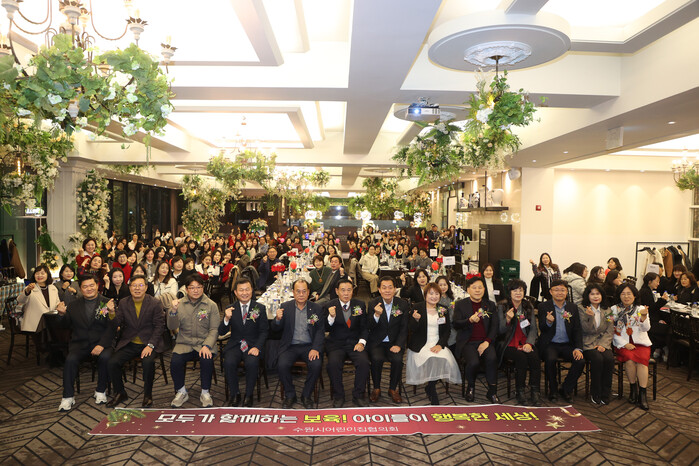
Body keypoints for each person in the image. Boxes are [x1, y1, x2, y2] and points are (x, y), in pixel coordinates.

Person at [55, 275, 115, 411]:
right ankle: (68, 396)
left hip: (101, 342)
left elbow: (111, 327)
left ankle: (100, 390)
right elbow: (64, 326)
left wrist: (101, 344)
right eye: (85, 286)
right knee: (70, 360)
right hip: (80, 343)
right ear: (80, 289)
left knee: (105, 357)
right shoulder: (73, 305)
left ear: (97, 286)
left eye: (91, 285)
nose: (89, 289)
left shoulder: (105, 303)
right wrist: (61, 315)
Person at [107, 275, 165, 408]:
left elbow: (159, 327)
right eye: (134, 285)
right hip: (130, 342)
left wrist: (150, 345)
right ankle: (120, 392)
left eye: (141, 285)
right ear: (129, 287)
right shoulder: (124, 303)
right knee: (112, 362)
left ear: (146, 287)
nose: (137, 288)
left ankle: (148, 395)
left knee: (148, 363)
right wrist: (111, 313)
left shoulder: (155, 303)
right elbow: (117, 323)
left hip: (148, 342)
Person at [167, 275, 220, 408]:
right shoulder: (179, 304)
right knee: (175, 361)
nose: (196, 290)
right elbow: (172, 326)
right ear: (186, 289)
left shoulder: (211, 305)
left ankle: (205, 392)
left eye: (199, 287)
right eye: (192, 288)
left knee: (206, 360)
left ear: (203, 288)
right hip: (184, 343)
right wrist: (173, 311)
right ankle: (181, 391)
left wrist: (207, 345)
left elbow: (214, 329)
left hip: (203, 343)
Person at [406, 283, 461, 405]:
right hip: (421, 343)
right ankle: (431, 389)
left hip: (437, 342)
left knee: (444, 359)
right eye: (431, 294)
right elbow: (411, 329)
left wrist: (440, 345)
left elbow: (446, 331)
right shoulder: (417, 307)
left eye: (437, 294)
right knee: (431, 358)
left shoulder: (442, 309)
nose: (434, 296)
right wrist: (416, 319)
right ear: (425, 295)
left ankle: (430, 387)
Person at [273, 279, 325, 409]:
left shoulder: (316, 308)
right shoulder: (285, 307)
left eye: (304, 291)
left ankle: (306, 395)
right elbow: (275, 330)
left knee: (316, 364)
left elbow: (320, 331)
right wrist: (277, 319)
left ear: (308, 292)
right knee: (282, 365)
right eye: (298, 291)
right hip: (290, 346)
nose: (301, 294)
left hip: (309, 346)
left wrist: (315, 348)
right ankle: (290, 395)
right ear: (293, 292)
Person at [220, 278, 268, 407]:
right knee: (229, 362)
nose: (244, 293)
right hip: (235, 345)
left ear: (252, 291)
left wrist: (257, 347)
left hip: (252, 345)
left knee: (251, 362)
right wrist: (226, 318)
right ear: (236, 292)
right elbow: (221, 331)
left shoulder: (260, 308)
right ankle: (235, 393)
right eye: (241, 290)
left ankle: (249, 394)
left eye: (247, 289)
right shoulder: (230, 308)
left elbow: (264, 331)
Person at [323, 279, 370, 407]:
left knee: (364, 363)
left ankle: (358, 395)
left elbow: (364, 327)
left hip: (355, 343)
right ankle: (339, 396)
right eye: (343, 290)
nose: (346, 293)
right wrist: (331, 317)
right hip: (336, 344)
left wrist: (361, 343)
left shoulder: (360, 304)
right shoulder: (329, 305)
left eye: (349, 290)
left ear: (352, 291)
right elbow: (325, 328)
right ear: (337, 291)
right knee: (333, 364)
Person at [453, 276, 500, 403]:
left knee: (492, 358)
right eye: (474, 288)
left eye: (480, 287)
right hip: (467, 342)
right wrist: (469, 320)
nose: (477, 290)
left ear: (484, 289)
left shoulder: (490, 305)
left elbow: (494, 326)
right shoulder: (460, 304)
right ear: (468, 289)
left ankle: (492, 391)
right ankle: (471, 387)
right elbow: (456, 324)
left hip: (485, 341)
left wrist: (487, 342)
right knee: (473, 362)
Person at [537, 279, 584, 403]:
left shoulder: (572, 307)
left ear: (567, 292)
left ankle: (566, 388)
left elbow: (577, 329)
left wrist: (578, 348)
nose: (559, 293)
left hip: (567, 344)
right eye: (556, 290)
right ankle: (553, 390)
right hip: (550, 344)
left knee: (580, 360)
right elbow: (542, 328)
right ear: (551, 292)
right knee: (550, 359)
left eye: (562, 290)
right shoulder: (543, 306)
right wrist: (548, 322)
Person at [496, 279, 541, 406]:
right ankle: (519, 391)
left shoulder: (527, 306)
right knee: (521, 358)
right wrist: (507, 319)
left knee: (535, 358)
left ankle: (534, 391)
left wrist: (529, 343)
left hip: (525, 342)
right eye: (515, 290)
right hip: (508, 343)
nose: (518, 293)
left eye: (520, 290)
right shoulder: (502, 306)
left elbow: (533, 329)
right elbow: (499, 331)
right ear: (509, 292)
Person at [367, 276, 409, 403]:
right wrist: (376, 315)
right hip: (377, 342)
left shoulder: (402, 304)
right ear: (379, 289)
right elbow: (368, 326)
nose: (387, 290)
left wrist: (399, 344)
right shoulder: (373, 303)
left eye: (390, 287)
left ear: (395, 289)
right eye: (384, 288)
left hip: (394, 342)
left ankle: (392, 389)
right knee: (376, 359)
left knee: (397, 360)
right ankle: (377, 388)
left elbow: (404, 328)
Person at [612, 283, 652, 410]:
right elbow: (611, 331)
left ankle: (642, 394)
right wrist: (624, 344)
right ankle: (633, 389)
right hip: (622, 342)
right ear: (619, 296)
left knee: (642, 362)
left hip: (640, 343)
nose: (626, 296)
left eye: (629, 294)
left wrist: (644, 317)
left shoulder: (641, 309)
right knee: (629, 360)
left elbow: (646, 328)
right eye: (623, 294)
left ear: (634, 296)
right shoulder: (613, 310)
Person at [579, 283, 615, 405]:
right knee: (597, 359)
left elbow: (610, 330)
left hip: (602, 343)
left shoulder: (608, 310)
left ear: (602, 295)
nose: (595, 296)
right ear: (587, 296)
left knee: (609, 359)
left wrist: (602, 345)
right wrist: (589, 317)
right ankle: (595, 392)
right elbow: (585, 330)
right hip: (588, 343)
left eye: (598, 294)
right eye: (592, 294)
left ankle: (606, 392)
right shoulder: (581, 309)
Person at [19, 265, 65, 332]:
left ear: (47, 275)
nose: (39, 275)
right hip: (34, 323)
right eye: (37, 273)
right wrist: (27, 291)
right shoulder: (30, 288)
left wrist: (60, 305)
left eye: (42, 273)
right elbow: (20, 300)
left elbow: (56, 303)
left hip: (49, 322)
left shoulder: (53, 288)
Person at [638, 272, 670, 360]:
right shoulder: (645, 292)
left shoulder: (647, 290)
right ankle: (661, 348)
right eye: (657, 281)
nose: (658, 284)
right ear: (650, 282)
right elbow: (651, 309)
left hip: (650, 318)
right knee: (668, 329)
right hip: (647, 321)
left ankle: (659, 348)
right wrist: (662, 300)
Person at [435, 275, 457, 351]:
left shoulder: (450, 297)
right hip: (441, 325)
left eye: (445, 285)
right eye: (440, 285)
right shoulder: (435, 298)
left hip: (452, 323)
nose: (443, 287)